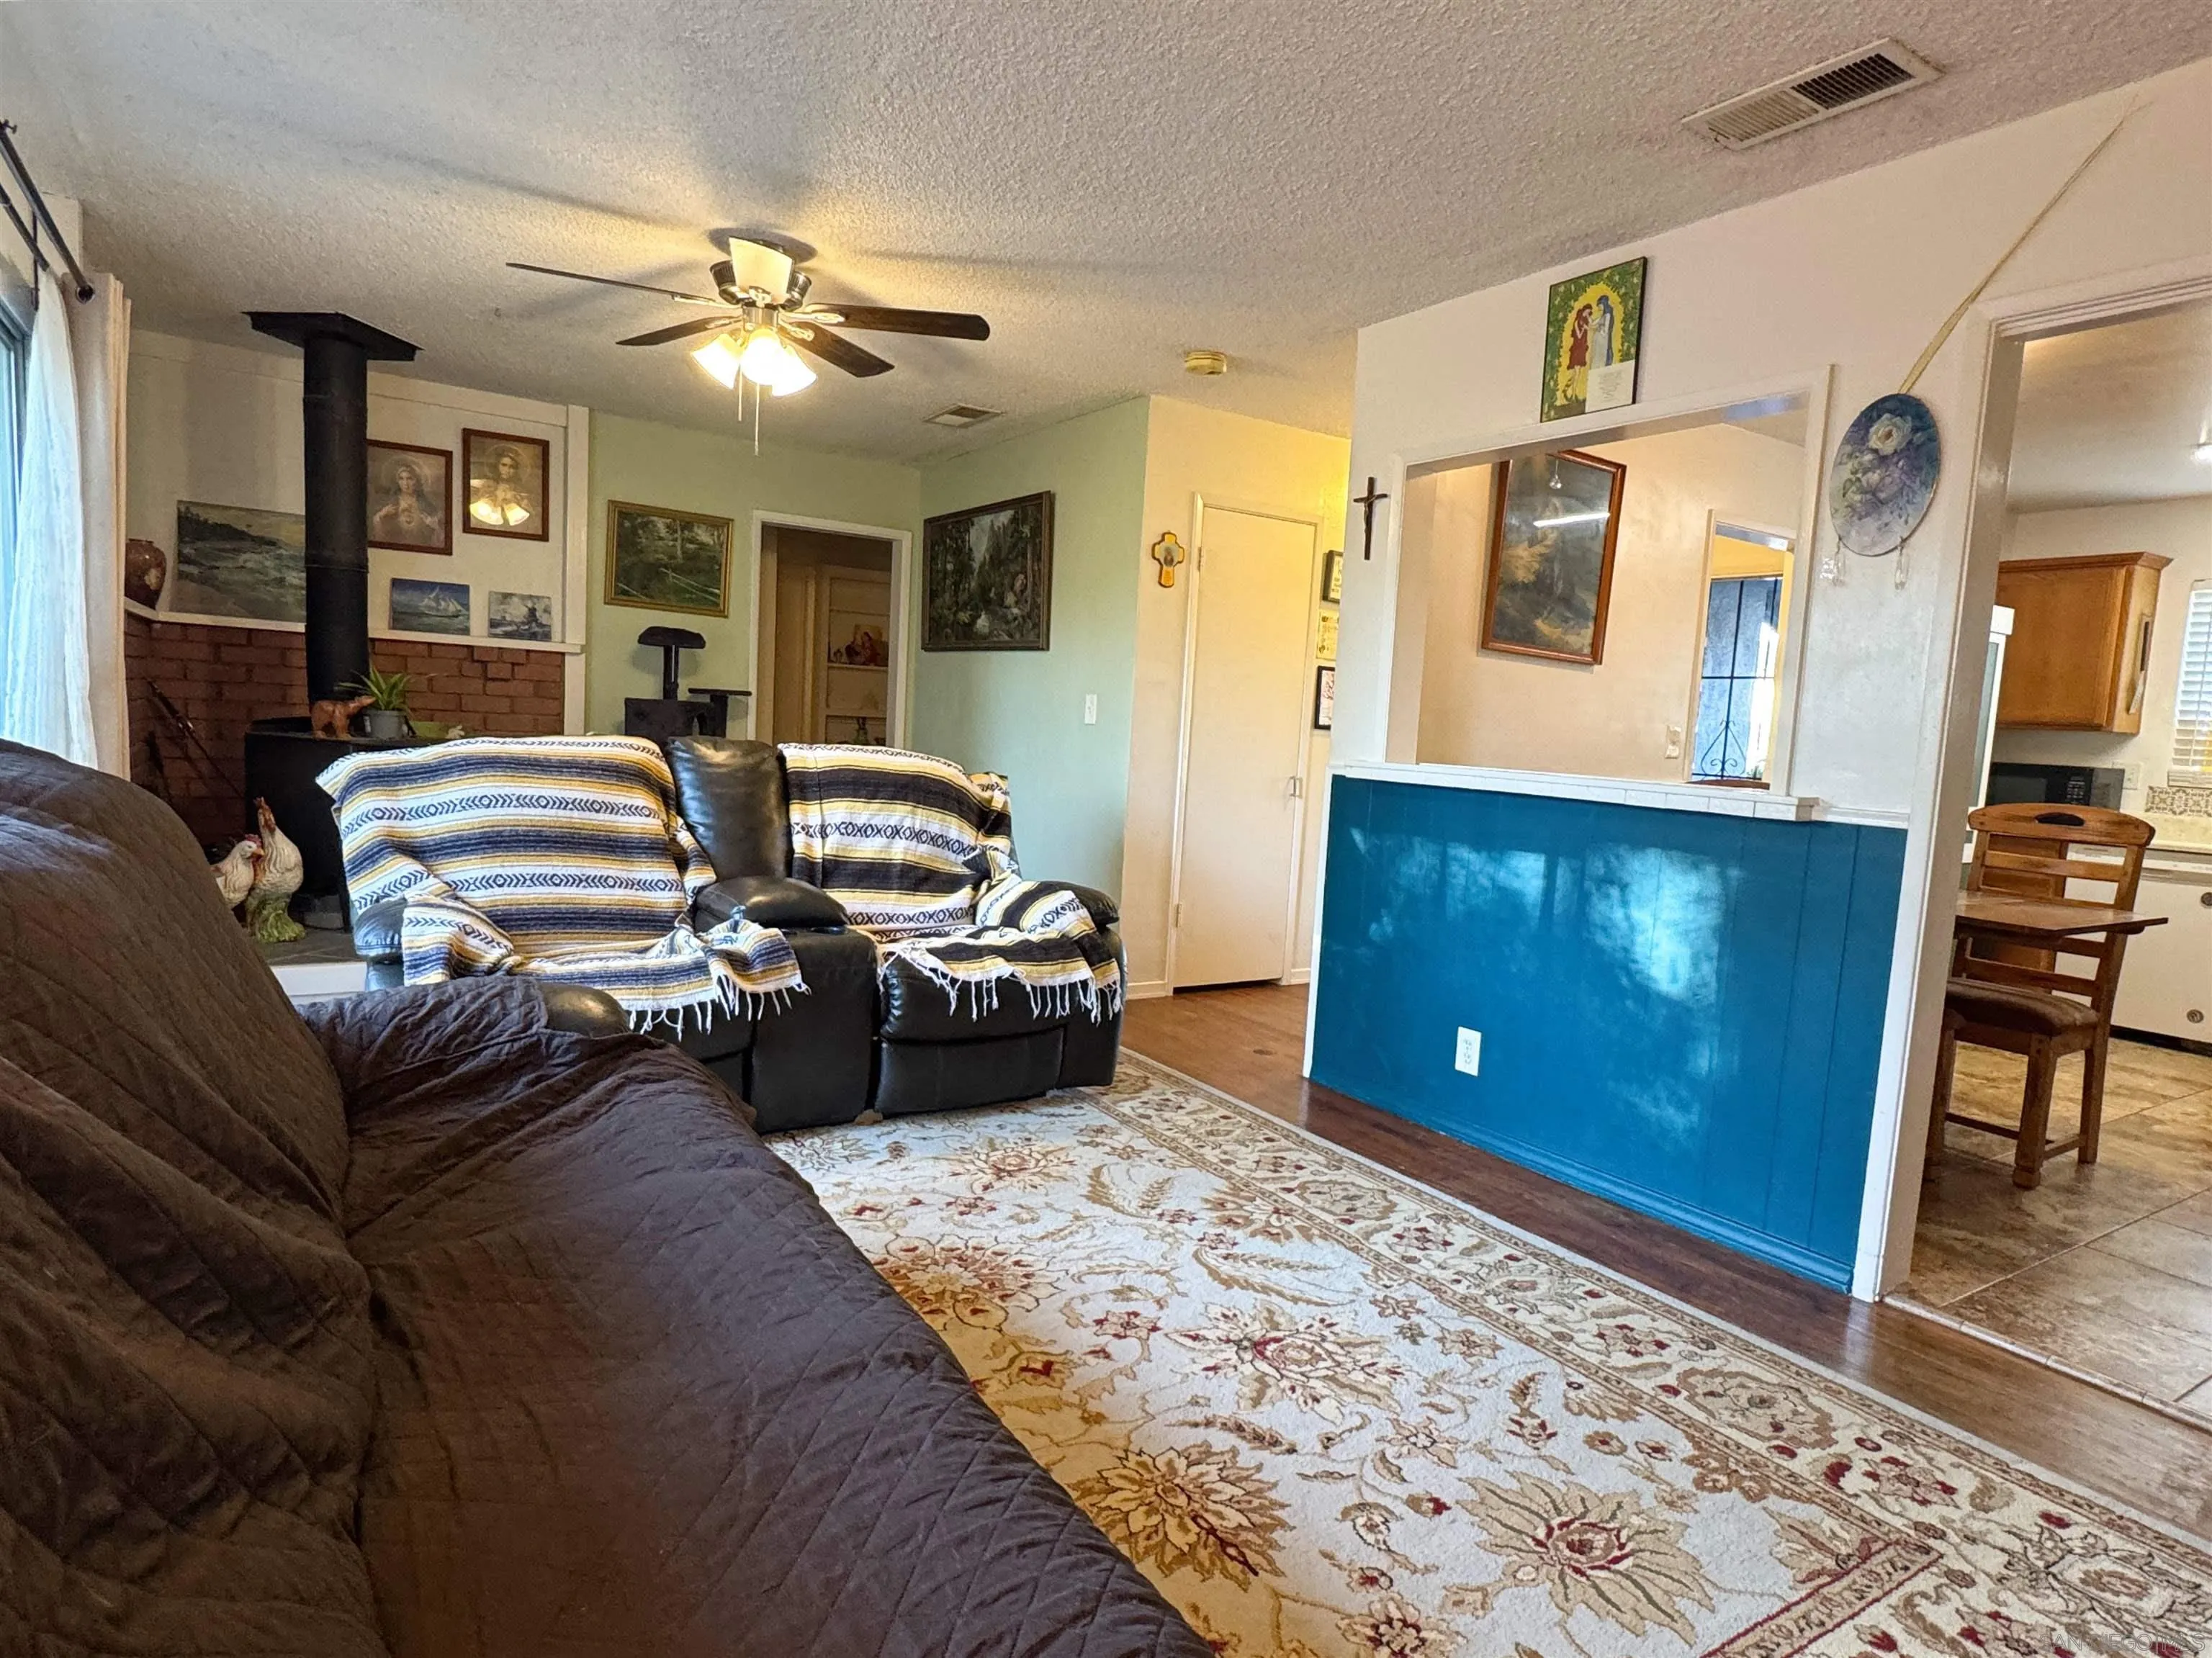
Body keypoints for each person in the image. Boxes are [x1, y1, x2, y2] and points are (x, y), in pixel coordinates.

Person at [372, 458, 444, 547]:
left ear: (416, 481)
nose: (405, 483)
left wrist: (435, 527)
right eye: (401, 479)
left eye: (410, 479)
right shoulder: (390, 503)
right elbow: (377, 533)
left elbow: (440, 537)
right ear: (397, 481)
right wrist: (381, 515)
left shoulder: (427, 505)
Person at [470, 444, 534, 530]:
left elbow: (529, 515)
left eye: (512, 467)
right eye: (504, 465)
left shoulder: (520, 492)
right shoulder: (486, 485)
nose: (507, 470)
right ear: (498, 465)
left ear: (517, 470)